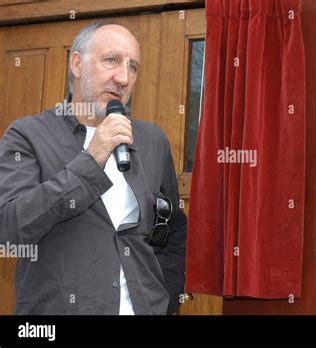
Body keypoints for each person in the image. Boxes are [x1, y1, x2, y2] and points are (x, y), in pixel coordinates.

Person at [0, 21, 187, 315]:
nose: (124, 77)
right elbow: (9, 228)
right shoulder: (27, 135)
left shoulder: (152, 141)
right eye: (111, 60)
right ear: (77, 63)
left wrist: (164, 300)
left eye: (133, 66)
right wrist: (92, 158)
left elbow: (174, 228)